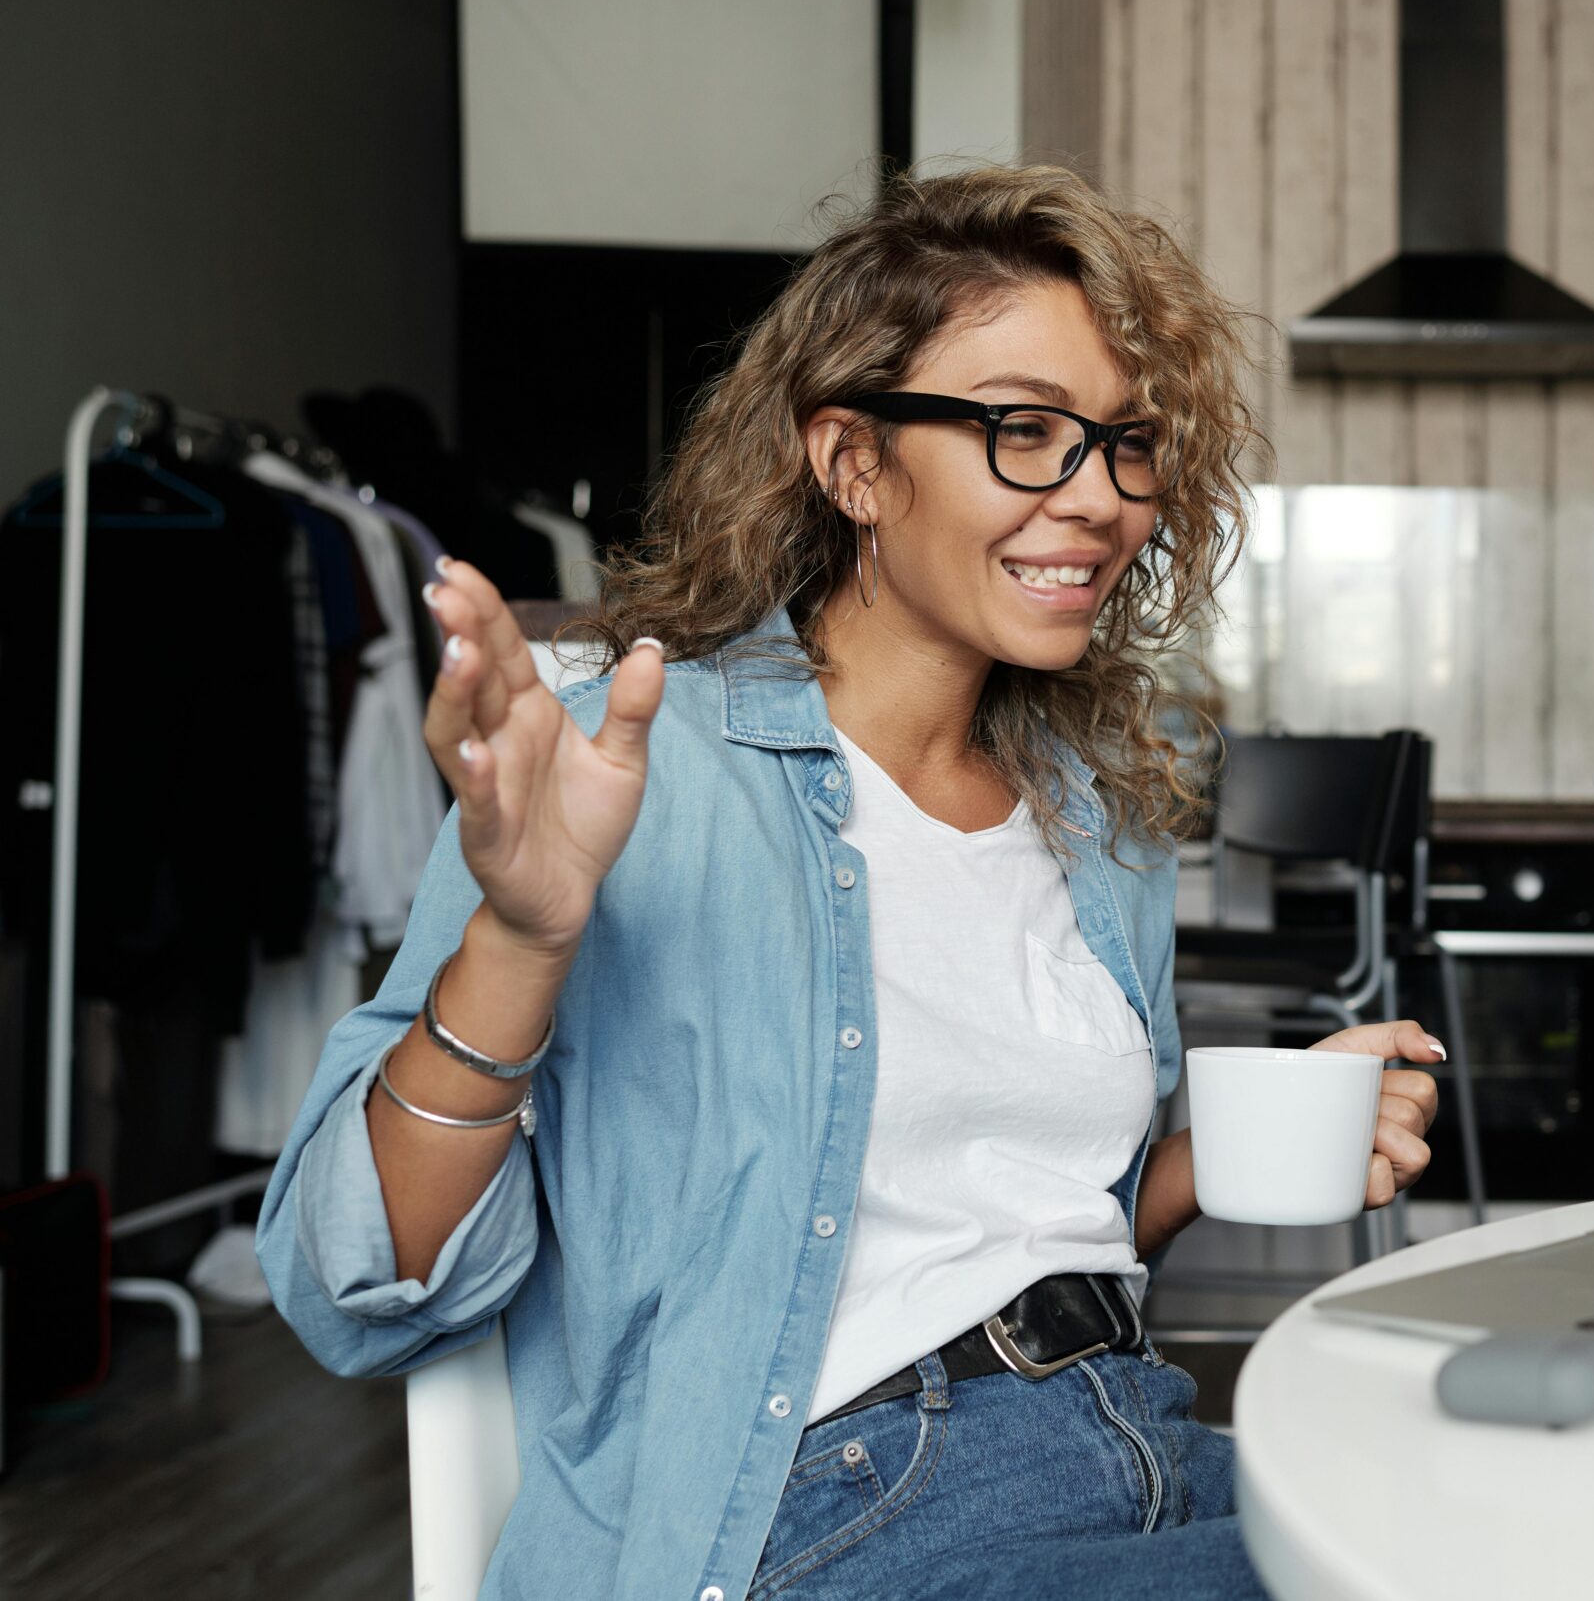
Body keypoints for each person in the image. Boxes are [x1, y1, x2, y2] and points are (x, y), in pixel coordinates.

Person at [257, 165, 1444, 1600]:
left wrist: (1207, 1164)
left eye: (1128, 445)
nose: (1101, 500)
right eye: (1025, 432)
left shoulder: (1098, 821)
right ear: (853, 463)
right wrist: (521, 934)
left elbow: (993, 1236)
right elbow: (349, 1289)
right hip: (834, 1521)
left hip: (1137, 1436)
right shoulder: (625, 771)